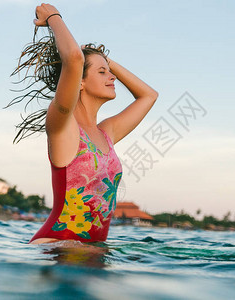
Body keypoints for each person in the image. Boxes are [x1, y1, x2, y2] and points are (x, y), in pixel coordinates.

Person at [10, 4, 158, 244]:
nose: (112, 78)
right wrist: (53, 18)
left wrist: (102, 58)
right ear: (79, 82)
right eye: (102, 72)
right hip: (57, 248)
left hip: (92, 253)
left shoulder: (106, 132)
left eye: (110, 72)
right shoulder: (62, 124)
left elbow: (149, 96)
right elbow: (74, 58)